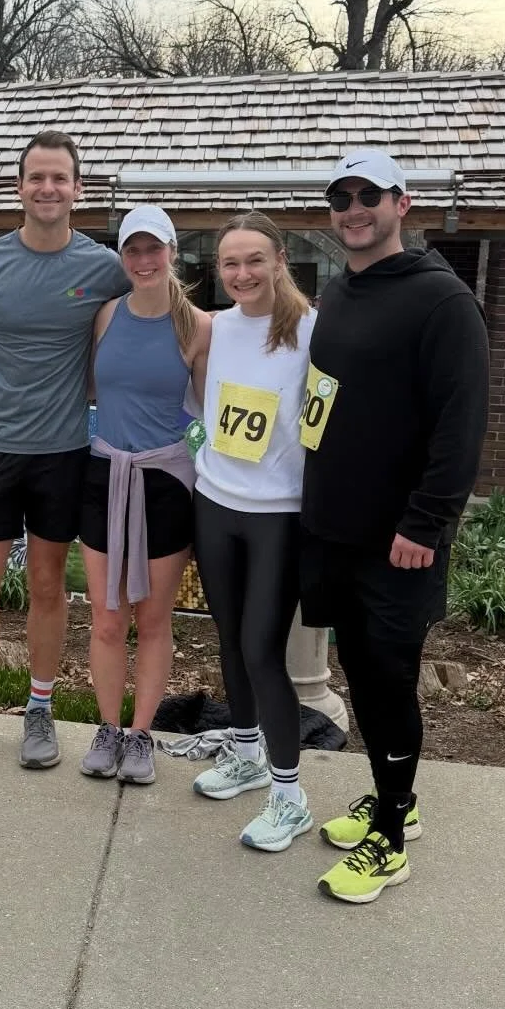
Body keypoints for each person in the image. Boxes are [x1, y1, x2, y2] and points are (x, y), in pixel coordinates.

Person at [302, 149, 490, 903]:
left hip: (399, 540)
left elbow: (461, 427)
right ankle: (393, 801)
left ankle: (389, 840)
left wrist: (426, 522)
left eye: (368, 195)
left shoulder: (442, 303)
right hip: (335, 530)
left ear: (401, 204)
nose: (354, 208)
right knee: (361, 673)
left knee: (390, 680)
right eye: (341, 196)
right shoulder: (342, 294)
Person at [0, 130, 132, 772]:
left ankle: (41, 711)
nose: (48, 188)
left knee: (49, 585)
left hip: (66, 452)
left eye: (60, 178)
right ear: (20, 187)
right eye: (36, 177)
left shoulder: (105, 267)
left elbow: (157, 323)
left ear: (78, 188)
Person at [189, 214, 318, 852]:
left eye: (254, 261)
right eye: (230, 264)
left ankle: (290, 797)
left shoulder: (314, 331)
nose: (242, 274)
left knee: (263, 650)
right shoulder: (216, 327)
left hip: (279, 515)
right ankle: (245, 752)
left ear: (280, 260)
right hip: (215, 502)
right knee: (229, 640)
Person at [79, 207, 211, 786]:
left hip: (165, 482)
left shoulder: (199, 327)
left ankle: (140, 735)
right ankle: (108, 729)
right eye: (132, 250)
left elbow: (209, 414)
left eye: (153, 249)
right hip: (105, 473)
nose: (143, 261)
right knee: (107, 619)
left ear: (172, 252)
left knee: (154, 620)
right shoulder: (106, 315)